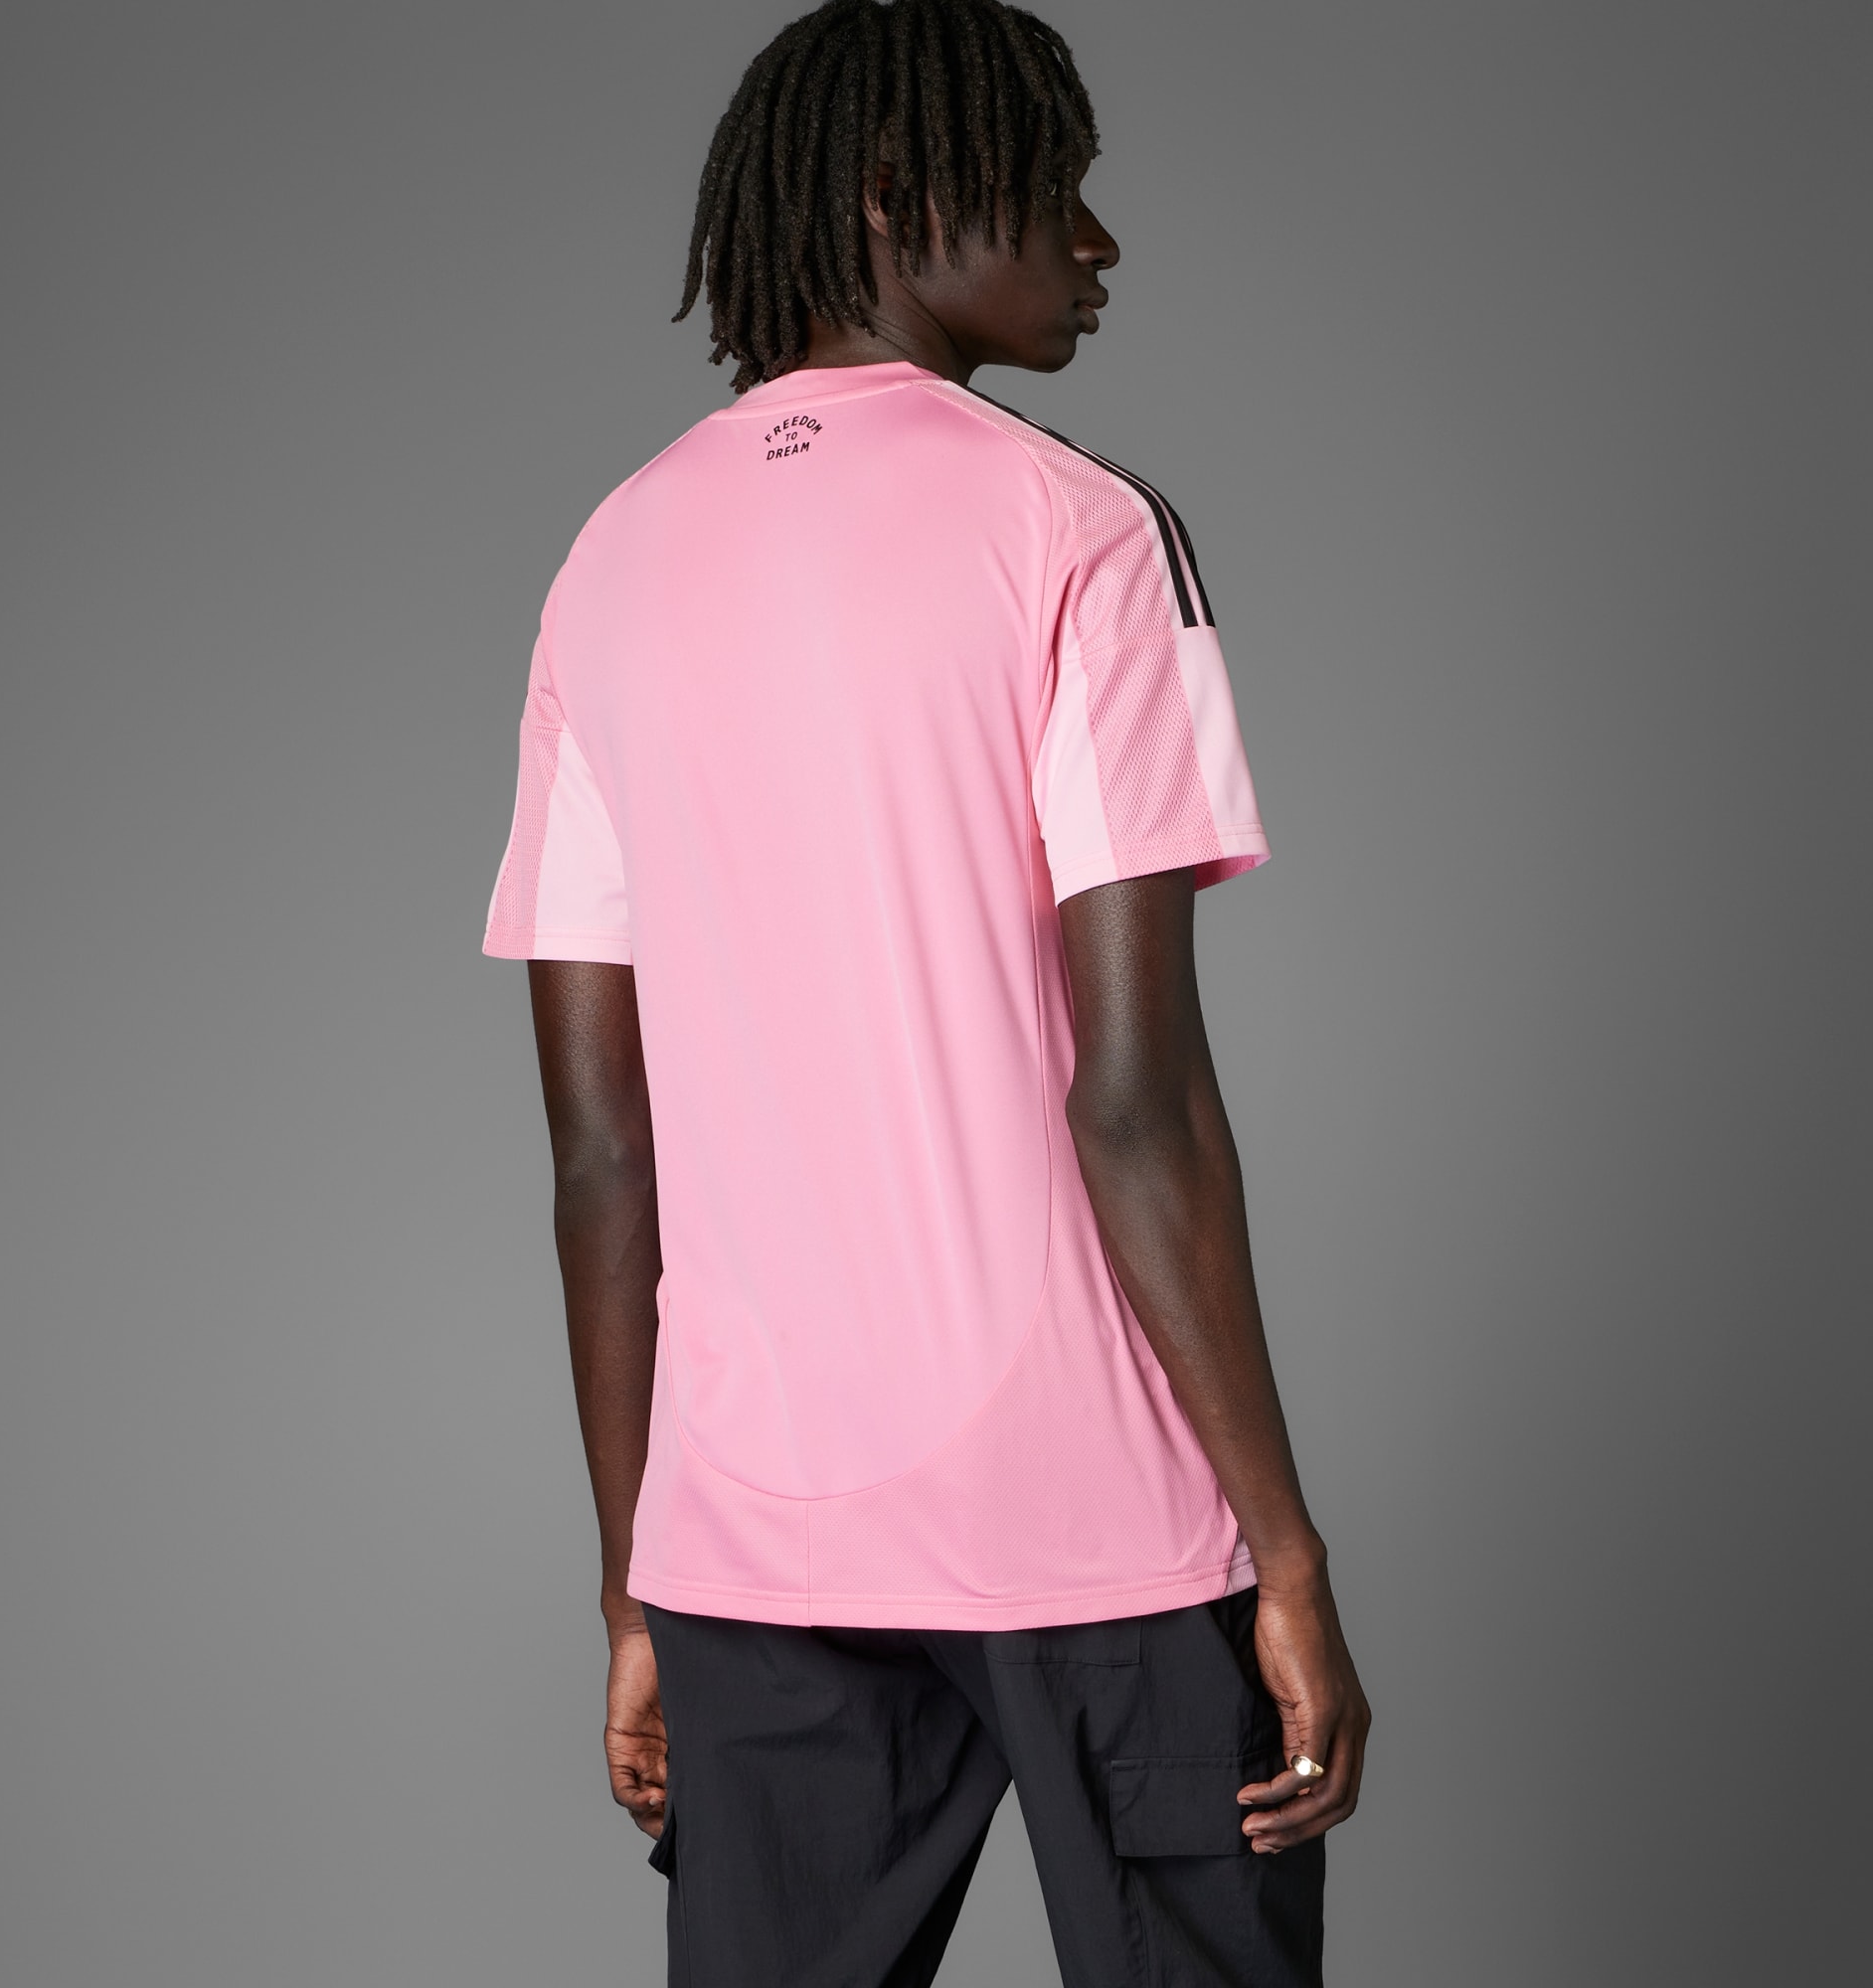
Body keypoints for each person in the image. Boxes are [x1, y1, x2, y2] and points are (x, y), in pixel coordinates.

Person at [482, 1, 1370, 1979]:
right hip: (1096, 1514)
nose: (1097, 243)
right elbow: (1135, 1099)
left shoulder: (605, 565)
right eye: (1055, 191)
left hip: (749, 1530)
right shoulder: (1084, 531)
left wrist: (635, 1587)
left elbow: (601, 1157)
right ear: (894, 198)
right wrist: (1287, 1552)